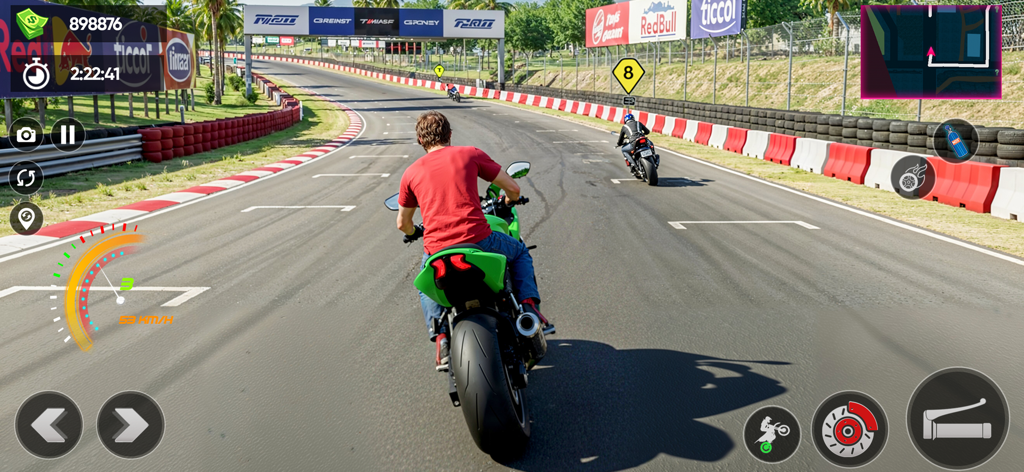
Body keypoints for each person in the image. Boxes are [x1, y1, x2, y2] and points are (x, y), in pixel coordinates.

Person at [396, 111, 550, 368]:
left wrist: (414, 233)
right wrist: (509, 200)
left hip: (437, 250)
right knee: (520, 252)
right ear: (450, 135)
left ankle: (441, 337)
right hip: (479, 241)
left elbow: (402, 223)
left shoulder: (410, 174)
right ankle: (528, 309)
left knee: (426, 282)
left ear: (421, 140)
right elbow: (513, 188)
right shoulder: (470, 154)